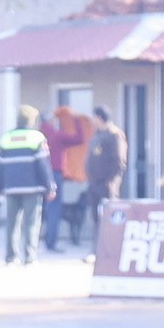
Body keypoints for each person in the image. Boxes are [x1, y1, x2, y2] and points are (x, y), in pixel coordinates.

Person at [0, 111, 51, 264]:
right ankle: (30, 257)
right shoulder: (37, 137)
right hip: (32, 188)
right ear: (31, 120)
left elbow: (0, 166)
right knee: (31, 222)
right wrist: (50, 186)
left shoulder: (6, 138)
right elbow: (43, 165)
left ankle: (11, 257)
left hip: (11, 188)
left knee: (12, 223)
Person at [42, 103, 90, 252]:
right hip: (55, 173)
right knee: (54, 208)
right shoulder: (57, 136)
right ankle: (51, 242)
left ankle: (40, 239)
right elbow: (80, 139)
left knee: (42, 208)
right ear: (50, 121)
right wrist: (76, 120)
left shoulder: (39, 135)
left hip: (38, 174)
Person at [84, 110, 124, 246]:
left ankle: (110, 248)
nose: (92, 120)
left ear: (99, 118)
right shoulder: (98, 135)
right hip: (94, 183)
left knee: (108, 218)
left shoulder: (114, 135)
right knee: (96, 218)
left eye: (94, 117)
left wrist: (113, 180)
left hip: (106, 184)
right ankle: (97, 249)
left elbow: (119, 160)